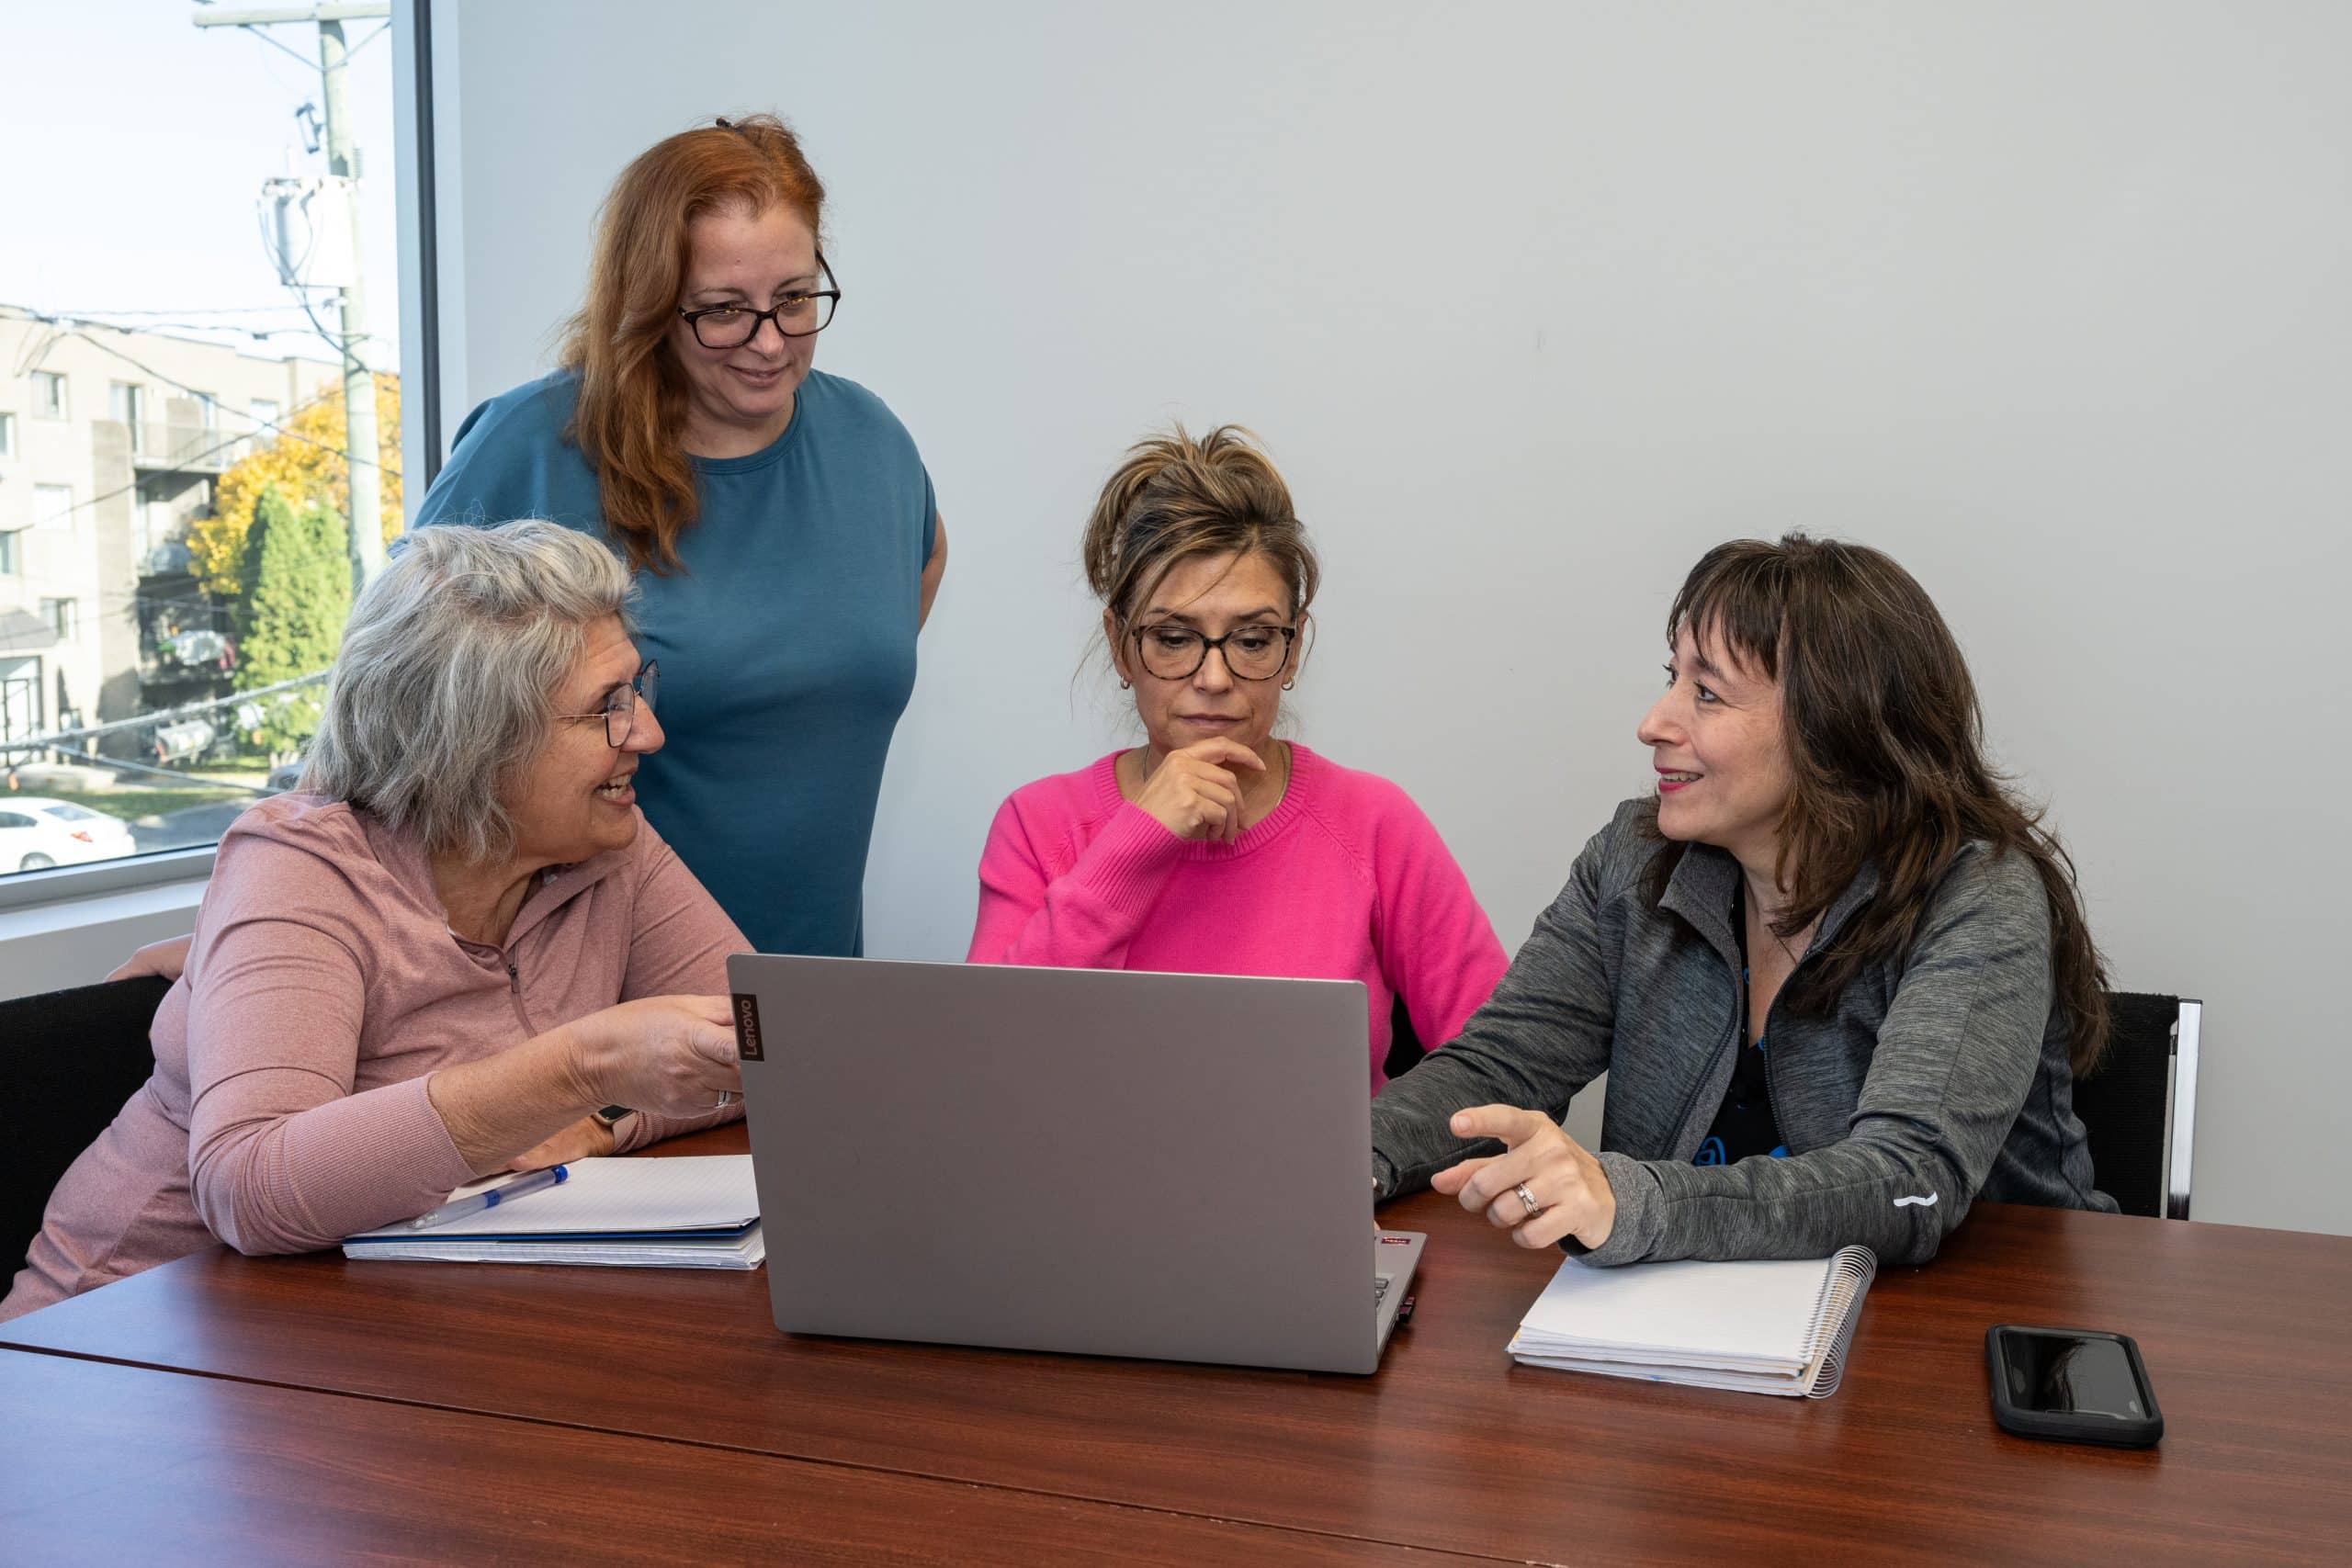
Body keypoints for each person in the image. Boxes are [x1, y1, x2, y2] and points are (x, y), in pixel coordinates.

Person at [2, 523, 747, 1321]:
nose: (648, 732)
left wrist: (601, 1122)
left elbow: (762, 1051)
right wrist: (578, 1070)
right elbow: (250, 1186)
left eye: (638, 689)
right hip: (126, 1346)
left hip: (380, 1331)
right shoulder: (299, 865)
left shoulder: (606, 840)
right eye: (607, 706)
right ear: (476, 740)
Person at [1370, 533, 2115, 1268]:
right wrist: (1345, 1160)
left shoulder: (1979, 895)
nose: (1654, 722)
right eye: (1671, 679)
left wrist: (1633, 1202)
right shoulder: (1634, 863)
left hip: (1971, 1329)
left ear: (1834, 729)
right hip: (1696, 1335)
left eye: (1706, 692)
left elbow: (1909, 1183)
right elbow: (1498, 1068)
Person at [415, 114, 946, 957]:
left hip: (807, 995)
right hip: (574, 1002)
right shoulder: (529, 451)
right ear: (653, 302)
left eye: (797, 299)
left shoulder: (873, 445)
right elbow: (390, 728)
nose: (770, 342)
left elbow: (892, 602)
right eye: (724, 310)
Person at [967, 425, 1508, 1091]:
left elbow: (1502, 1066)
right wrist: (1135, 842)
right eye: (1173, 637)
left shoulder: (1373, 823)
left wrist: (1375, 1154)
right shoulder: (1039, 825)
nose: (1215, 679)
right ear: (1119, 645)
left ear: (1295, 646)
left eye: (1252, 640)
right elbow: (985, 1063)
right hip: (1090, 1191)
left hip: (1322, 1191)